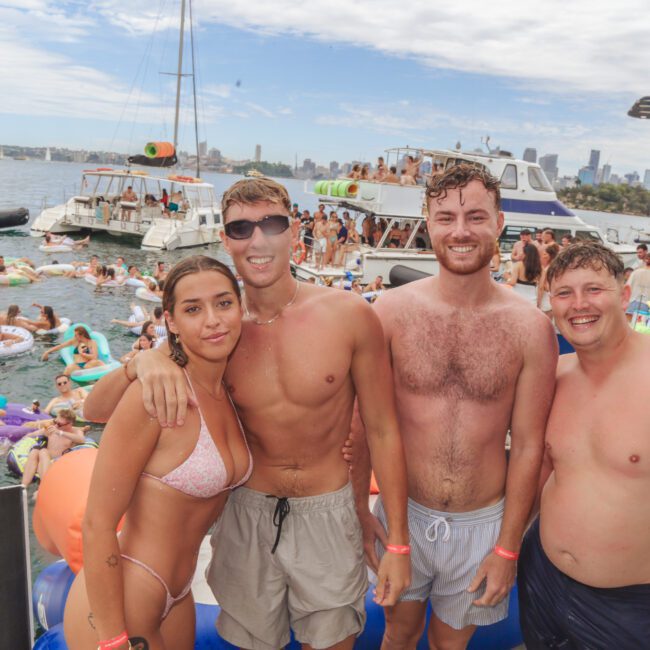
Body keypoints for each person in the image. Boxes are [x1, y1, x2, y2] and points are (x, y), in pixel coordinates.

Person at [84, 177, 411, 650]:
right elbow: (96, 409)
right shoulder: (218, 329)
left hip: (326, 509)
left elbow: (383, 429)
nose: (257, 240)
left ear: (294, 231)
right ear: (226, 239)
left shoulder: (349, 315)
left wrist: (397, 543)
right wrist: (144, 360)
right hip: (246, 514)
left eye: (271, 224)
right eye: (241, 228)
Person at [345, 164, 556, 649]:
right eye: (445, 218)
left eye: (476, 217)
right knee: (397, 635)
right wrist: (361, 510)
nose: (460, 231)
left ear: (499, 223)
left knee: (449, 644)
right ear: (429, 222)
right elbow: (365, 427)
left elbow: (527, 446)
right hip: (403, 514)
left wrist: (507, 546)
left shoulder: (529, 329)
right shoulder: (391, 313)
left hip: (482, 521)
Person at [64, 256, 251, 650]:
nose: (213, 320)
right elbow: (97, 523)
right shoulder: (158, 394)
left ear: (241, 307)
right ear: (171, 321)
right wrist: (113, 638)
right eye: (193, 309)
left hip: (178, 593)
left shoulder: (231, 389)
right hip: (126, 593)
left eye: (223, 303)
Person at [518, 241, 650, 648]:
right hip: (541, 576)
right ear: (551, 304)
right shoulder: (555, 375)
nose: (579, 305)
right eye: (564, 293)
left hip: (627, 605)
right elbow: (534, 462)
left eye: (594, 289)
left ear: (625, 294)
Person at [21, 409, 86, 491]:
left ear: (70, 424)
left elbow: (81, 439)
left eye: (59, 424)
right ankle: (23, 486)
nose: (56, 425)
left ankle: (43, 487)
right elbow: (32, 434)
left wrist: (60, 432)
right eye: (55, 422)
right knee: (35, 451)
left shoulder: (75, 431)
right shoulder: (51, 429)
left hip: (58, 462)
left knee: (43, 452)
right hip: (45, 459)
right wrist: (22, 440)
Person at [536, 243, 560, 319]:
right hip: (551, 299)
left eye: (544, 254)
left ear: (549, 256)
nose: (542, 256)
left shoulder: (547, 270)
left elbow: (542, 287)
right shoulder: (555, 267)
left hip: (545, 299)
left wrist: (538, 303)